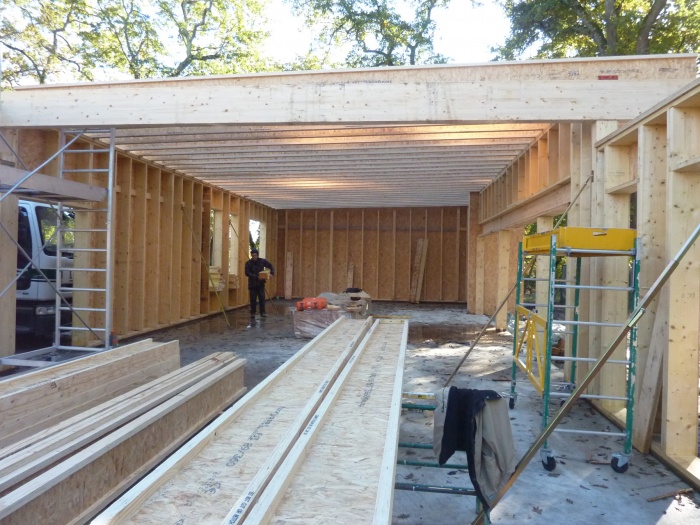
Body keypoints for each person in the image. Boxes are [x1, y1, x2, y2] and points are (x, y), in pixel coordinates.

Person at [244, 248, 275, 318]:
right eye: (253, 255)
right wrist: (256, 277)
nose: (254, 257)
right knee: (253, 299)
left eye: (255, 255)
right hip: (252, 284)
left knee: (262, 298)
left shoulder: (262, 261)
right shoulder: (248, 263)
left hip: (260, 284)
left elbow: (270, 266)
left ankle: (262, 312)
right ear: (251, 255)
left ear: (257, 255)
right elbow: (247, 273)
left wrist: (272, 273)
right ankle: (253, 312)